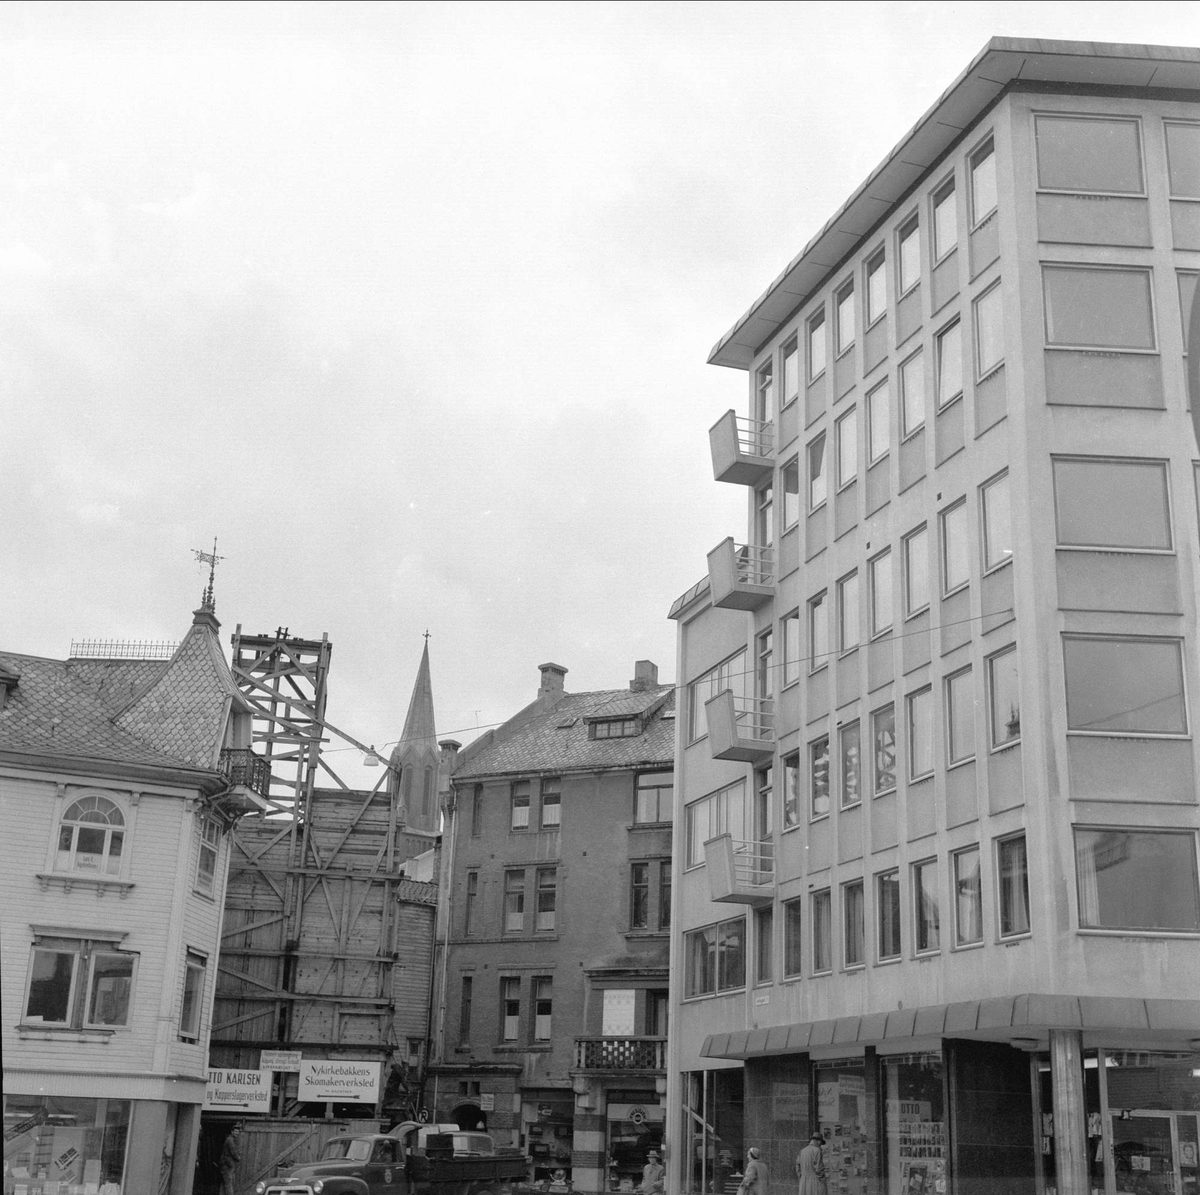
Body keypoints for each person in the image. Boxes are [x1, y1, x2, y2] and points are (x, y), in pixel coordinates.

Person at [219, 1124, 243, 1195]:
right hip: (227, 1164)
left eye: (237, 1131)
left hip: (227, 1164)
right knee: (229, 1184)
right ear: (232, 1132)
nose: (237, 1133)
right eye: (235, 1131)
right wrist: (238, 1158)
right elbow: (233, 1152)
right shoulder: (230, 1140)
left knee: (225, 1183)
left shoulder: (231, 1139)